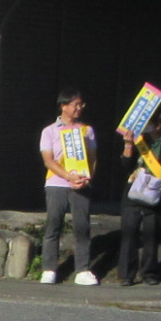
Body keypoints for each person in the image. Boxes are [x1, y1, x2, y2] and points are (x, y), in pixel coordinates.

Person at [39, 88, 99, 285]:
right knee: (53, 225)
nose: (79, 108)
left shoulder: (87, 130)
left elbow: (92, 158)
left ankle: (82, 270)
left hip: (81, 184)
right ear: (63, 106)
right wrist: (67, 176)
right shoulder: (49, 131)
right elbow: (48, 160)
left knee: (82, 226)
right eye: (75, 104)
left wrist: (87, 178)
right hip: (56, 184)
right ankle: (49, 269)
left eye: (81, 104)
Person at [117, 110, 161, 286]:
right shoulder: (138, 140)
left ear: (159, 125)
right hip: (133, 193)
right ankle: (127, 274)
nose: (147, 127)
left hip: (156, 195)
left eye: (150, 123)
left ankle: (149, 272)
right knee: (129, 233)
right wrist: (128, 145)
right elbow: (126, 165)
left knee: (152, 235)